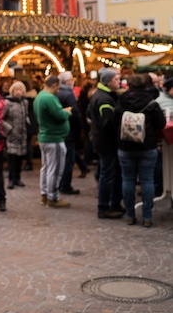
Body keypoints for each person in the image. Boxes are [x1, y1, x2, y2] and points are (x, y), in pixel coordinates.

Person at [115, 74, 165, 227]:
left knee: (128, 180)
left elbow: (114, 120)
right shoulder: (151, 101)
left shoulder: (121, 101)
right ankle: (147, 217)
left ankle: (130, 214)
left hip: (126, 146)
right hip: (147, 146)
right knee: (147, 180)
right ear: (145, 85)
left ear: (128, 85)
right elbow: (161, 123)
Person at [89, 68, 125, 220]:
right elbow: (107, 123)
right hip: (107, 142)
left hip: (105, 141)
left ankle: (114, 204)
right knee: (107, 174)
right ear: (109, 81)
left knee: (112, 173)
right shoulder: (104, 99)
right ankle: (104, 207)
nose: (119, 82)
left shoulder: (103, 95)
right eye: (116, 80)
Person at [33, 75, 72, 208]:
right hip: (53, 138)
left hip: (45, 137)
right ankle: (53, 197)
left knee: (46, 168)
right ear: (54, 85)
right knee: (54, 169)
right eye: (59, 87)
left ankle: (44, 194)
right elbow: (59, 115)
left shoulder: (39, 96)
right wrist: (67, 112)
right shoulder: (49, 98)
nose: (59, 90)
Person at [57, 71, 82, 196]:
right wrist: (79, 126)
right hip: (69, 130)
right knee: (68, 159)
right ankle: (65, 185)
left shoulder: (56, 93)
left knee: (60, 158)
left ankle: (59, 183)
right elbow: (75, 113)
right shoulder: (68, 93)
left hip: (59, 130)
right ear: (67, 81)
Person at [3, 81, 29, 189]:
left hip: (22, 134)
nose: (18, 92)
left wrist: (27, 124)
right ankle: (11, 179)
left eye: (20, 90)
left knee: (20, 158)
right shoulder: (7, 103)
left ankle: (18, 178)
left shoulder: (25, 103)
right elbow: (1, 118)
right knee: (12, 158)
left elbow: (26, 115)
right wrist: (9, 129)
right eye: (16, 90)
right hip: (12, 134)